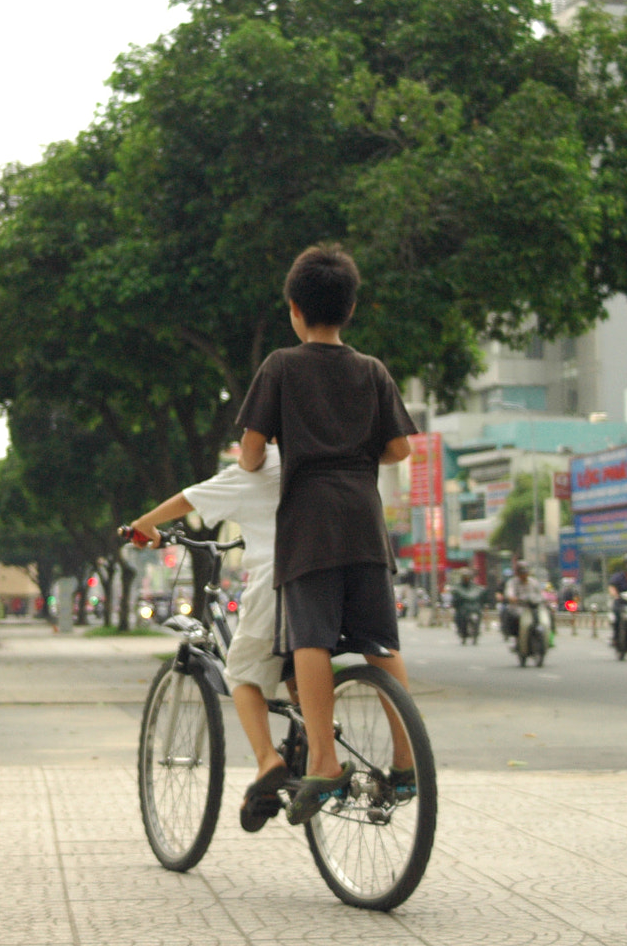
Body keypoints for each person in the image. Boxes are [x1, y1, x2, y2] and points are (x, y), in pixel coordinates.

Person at [235, 243, 417, 825]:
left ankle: (324, 762)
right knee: (379, 642)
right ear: (351, 308)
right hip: (365, 519)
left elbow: (249, 454)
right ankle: (408, 760)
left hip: (309, 524)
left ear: (294, 308)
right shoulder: (372, 370)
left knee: (310, 639)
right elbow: (399, 447)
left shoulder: (281, 367)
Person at [127, 442, 287, 829]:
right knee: (297, 661)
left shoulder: (253, 468)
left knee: (242, 671)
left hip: (277, 583)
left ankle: (269, 759)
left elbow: (189, 498)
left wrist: (144, 525)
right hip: (328, 579)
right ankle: (311, 750)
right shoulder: (313, 461)